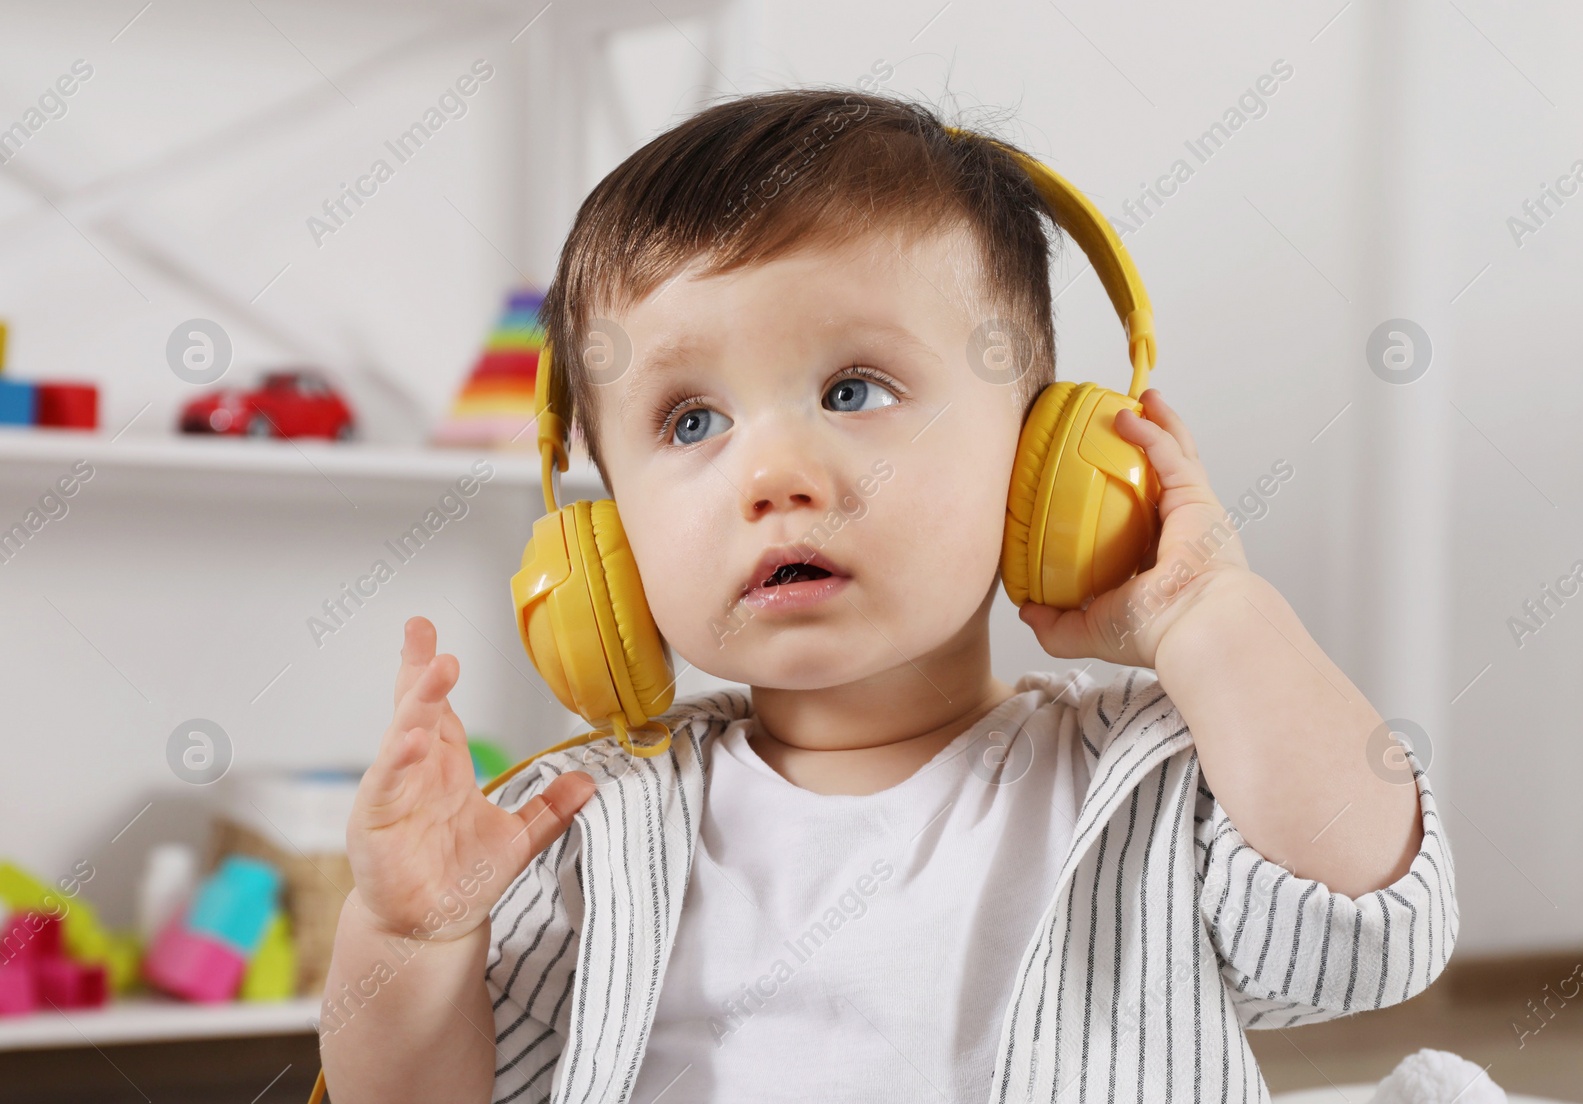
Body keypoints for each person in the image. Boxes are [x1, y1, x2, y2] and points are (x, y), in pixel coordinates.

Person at [317, 89, 1457, 1103]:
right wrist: (411, 935)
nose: (773, 476)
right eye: (691, 422)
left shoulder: (1148, 772)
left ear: (1042, 462)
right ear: (604, 543)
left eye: (854, 388)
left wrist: (1212, 613)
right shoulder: (590, 825)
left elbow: (1367, 927)